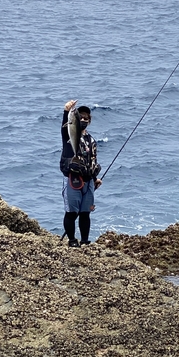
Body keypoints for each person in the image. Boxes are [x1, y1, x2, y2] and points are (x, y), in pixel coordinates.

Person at [60, 99, 102, 247]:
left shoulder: (91, 140)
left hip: (88, 181)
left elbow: (92, 160)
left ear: (89, 121)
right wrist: (67, 112)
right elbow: (66, 128)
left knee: (85, 213)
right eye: (81, 117)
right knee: (71, 212)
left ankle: (84, 241)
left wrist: (95, 178)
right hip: (73, 179)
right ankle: (72, 241)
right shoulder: (69, 133)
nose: (83, 119)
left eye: (86, 118)